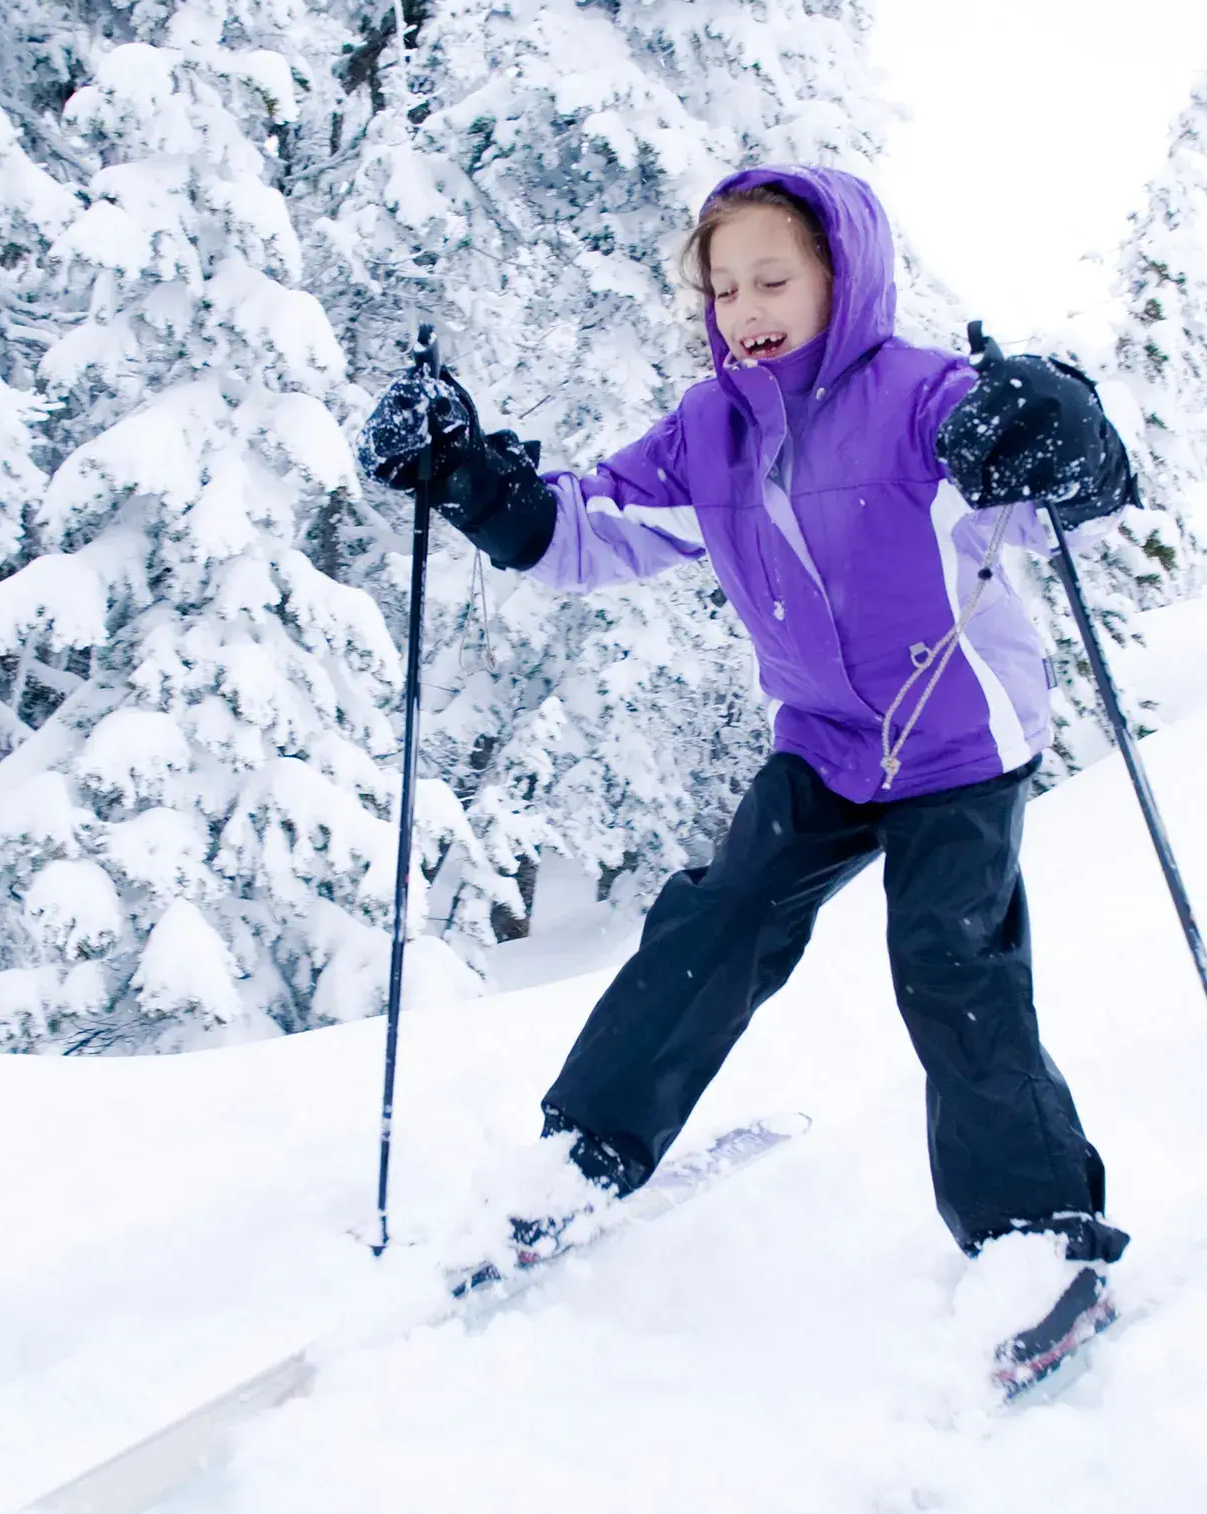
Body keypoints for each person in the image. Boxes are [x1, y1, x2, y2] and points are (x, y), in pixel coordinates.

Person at [358, 165, 1135, 1275]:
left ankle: (1034, 1234)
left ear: (843, 278)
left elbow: (1067, 508)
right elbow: (584, 531)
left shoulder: (927, 399)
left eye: (773, 280)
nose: (745, 310)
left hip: (960, 746)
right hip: (825, 743)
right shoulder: (710, 431)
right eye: (724, 290)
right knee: (718, 921)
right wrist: (471, 480)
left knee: (950, 962)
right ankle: (581, 1157)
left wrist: (1069, 436)